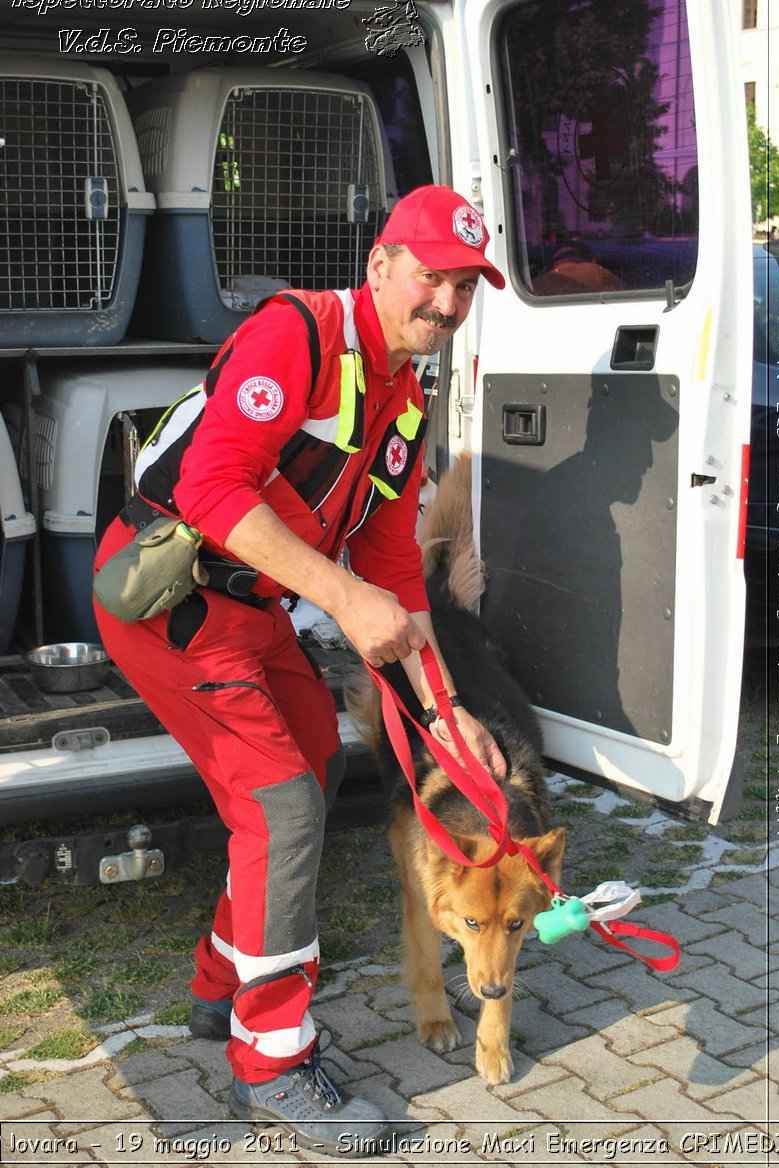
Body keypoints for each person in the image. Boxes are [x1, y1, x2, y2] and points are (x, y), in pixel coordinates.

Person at [93, 184, 507, 1154]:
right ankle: (273, 1058)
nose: (444, 304)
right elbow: (208, 486)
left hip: (249, 607)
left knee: (316, 761)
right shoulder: (300, 335)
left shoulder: (404, 399)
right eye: (430, 277)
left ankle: (217, 988)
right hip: (171, 597)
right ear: (379, 266)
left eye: (464, 288)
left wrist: (446, 713)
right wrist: (347, 599)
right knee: (281, 804)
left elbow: (396, 566)